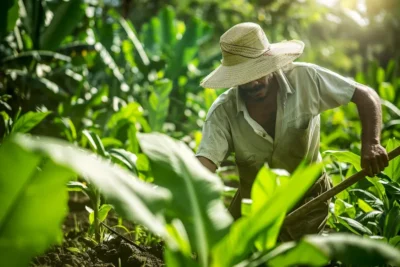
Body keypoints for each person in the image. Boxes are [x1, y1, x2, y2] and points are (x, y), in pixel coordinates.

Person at [195, 22, 389, 241]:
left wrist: (371, 143)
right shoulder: (223, 111)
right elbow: (206, 162)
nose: (254, 81)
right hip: (255, 204)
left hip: (308, 198)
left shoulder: (306, 79)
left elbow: (365, 95)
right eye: (245, 77)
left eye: (259, 71)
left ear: (270, 61)